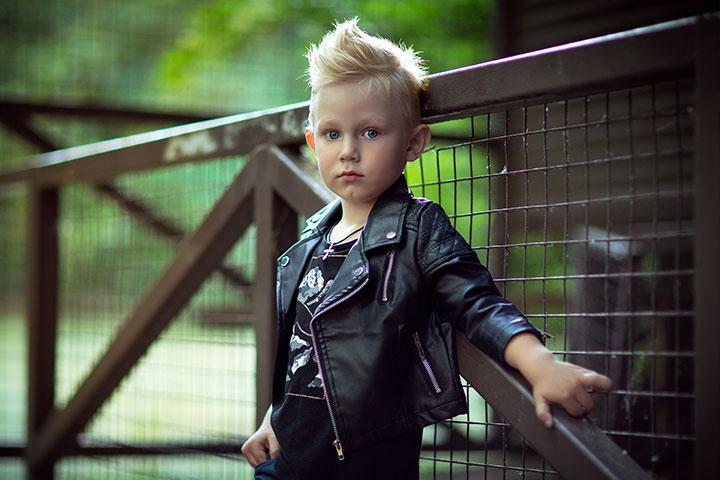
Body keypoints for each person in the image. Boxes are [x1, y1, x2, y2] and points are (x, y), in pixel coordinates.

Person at [242, 17, 612, 480]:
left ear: (414, 142)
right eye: (333, 135)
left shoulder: (417, 227)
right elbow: (301, 350)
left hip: (366, 462)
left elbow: (478, 304)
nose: (349, 151)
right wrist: (272, 418)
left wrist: (539, 365)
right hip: (288, 462)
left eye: (371, 132)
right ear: (314, 142)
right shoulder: (311, 239)